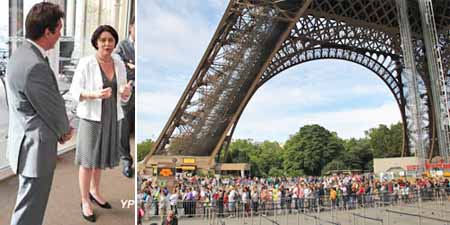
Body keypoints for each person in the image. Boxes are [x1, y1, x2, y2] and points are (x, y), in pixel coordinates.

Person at [6, 3, 74, 225]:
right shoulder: (35, 64)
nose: (61, 34)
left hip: (23, 142)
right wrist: (65, 130)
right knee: (30, 211)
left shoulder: (21, 54)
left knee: (27, 204)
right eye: (59, 28)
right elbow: (51, 106)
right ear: (48, 31)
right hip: (35, 150)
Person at [69, 25, 131, 222]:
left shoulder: (119, 63)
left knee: (100, 159)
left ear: (115, 43)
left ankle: (95, 191)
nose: (107, 43)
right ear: (96, 42)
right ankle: (84, 199)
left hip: (112, 115)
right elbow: (74, 91)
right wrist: (95, 94)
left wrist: (125, 94)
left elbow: (122, 93)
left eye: (110, 40)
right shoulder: (86, 62)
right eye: (103, 40)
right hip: (91, 118)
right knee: (88, 161)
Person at [115, 17, 135, 178]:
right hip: (127, 90)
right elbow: (116, 63)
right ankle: (126, 160)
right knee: (124, 127)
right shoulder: (122, 46)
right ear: (130, 27)